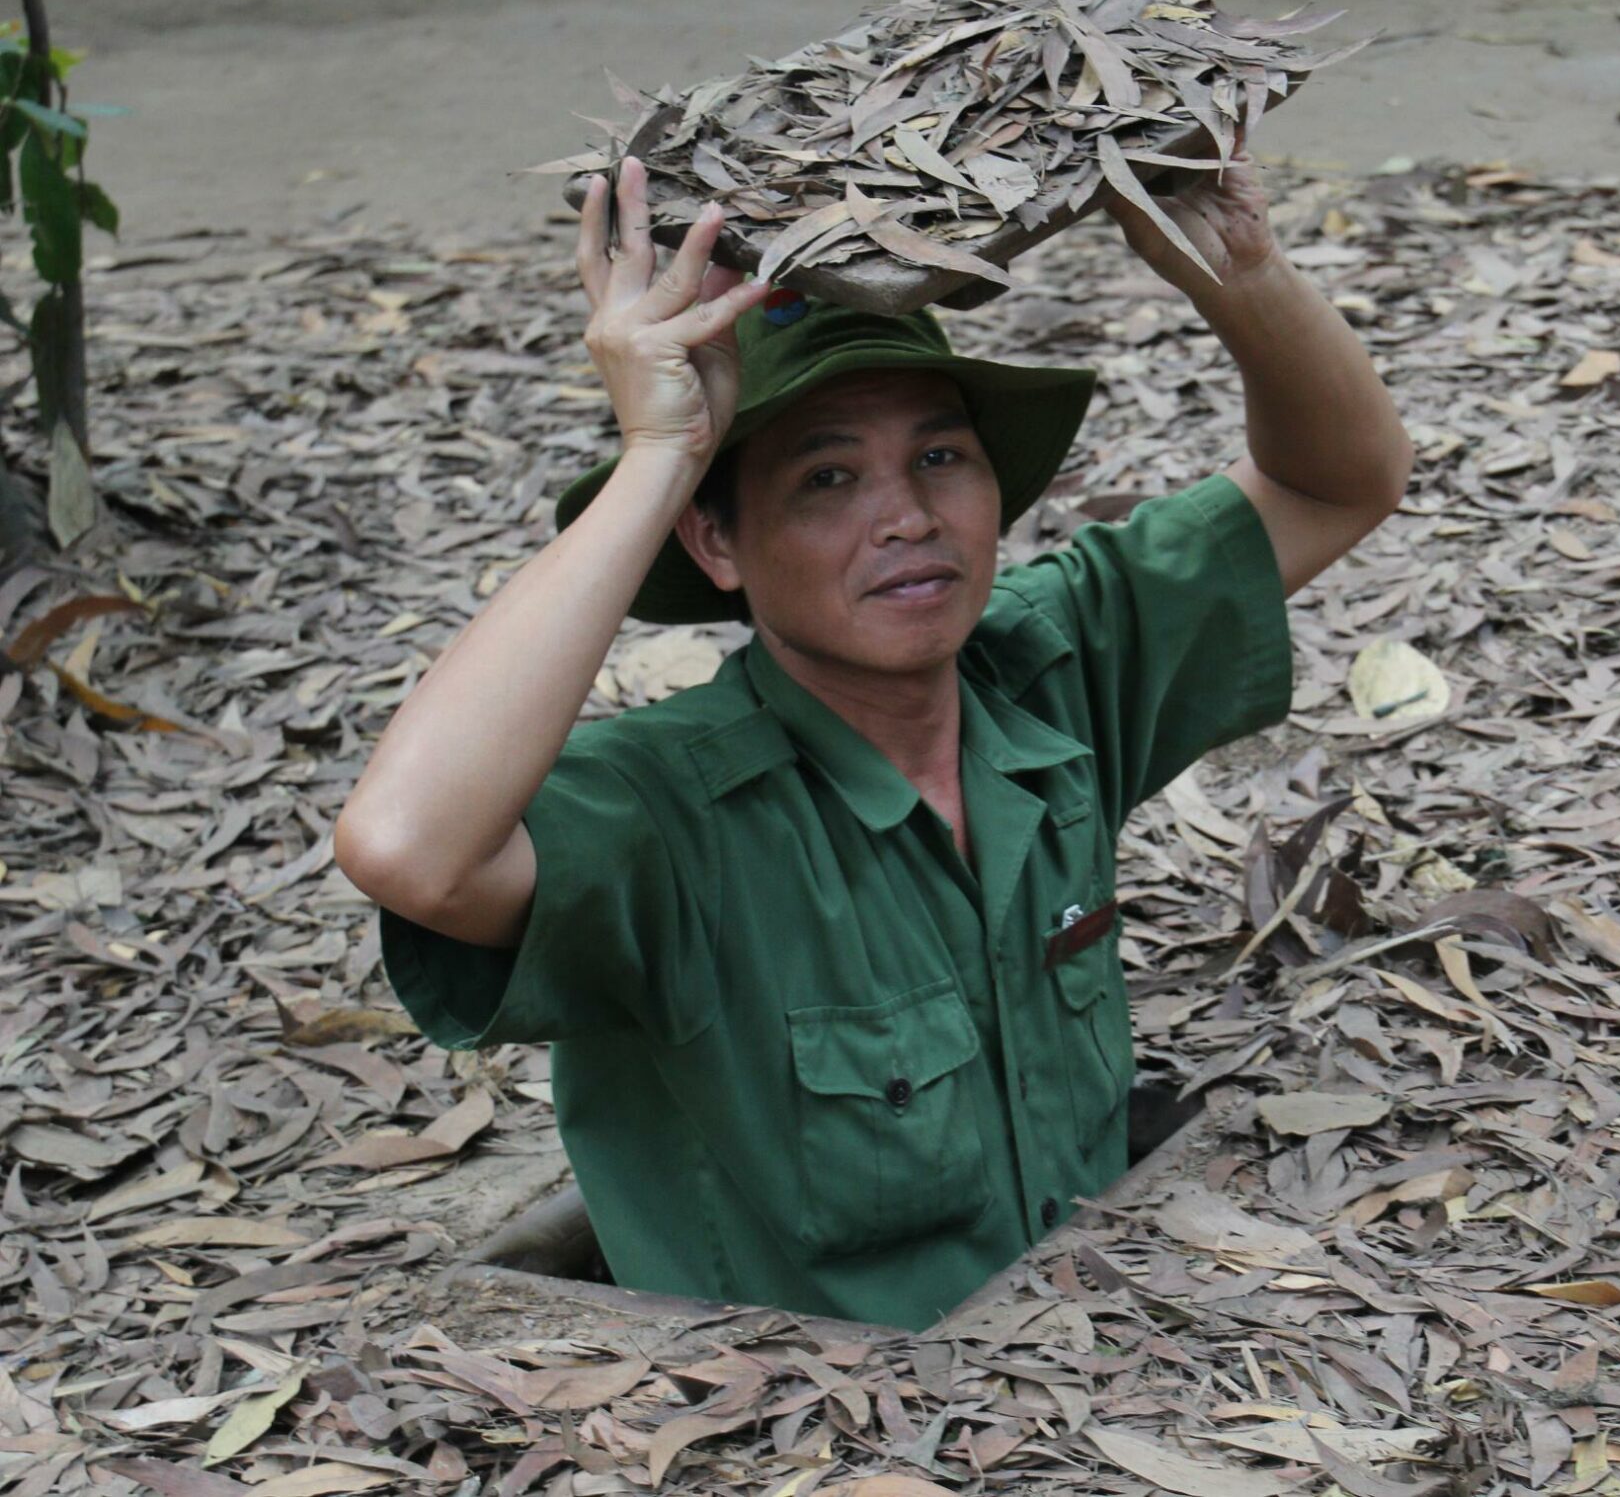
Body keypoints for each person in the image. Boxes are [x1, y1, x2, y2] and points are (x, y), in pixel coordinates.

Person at [334, 152, 1411, 1328]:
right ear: (718, 544)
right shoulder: (668, 818)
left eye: (940, 458)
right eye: (826, 478)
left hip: (1116, 1352)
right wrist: (658, 455)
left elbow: (1336, 483)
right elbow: (407, 848)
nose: (907, 517)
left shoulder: (1047, 670)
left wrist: (1237, 268)